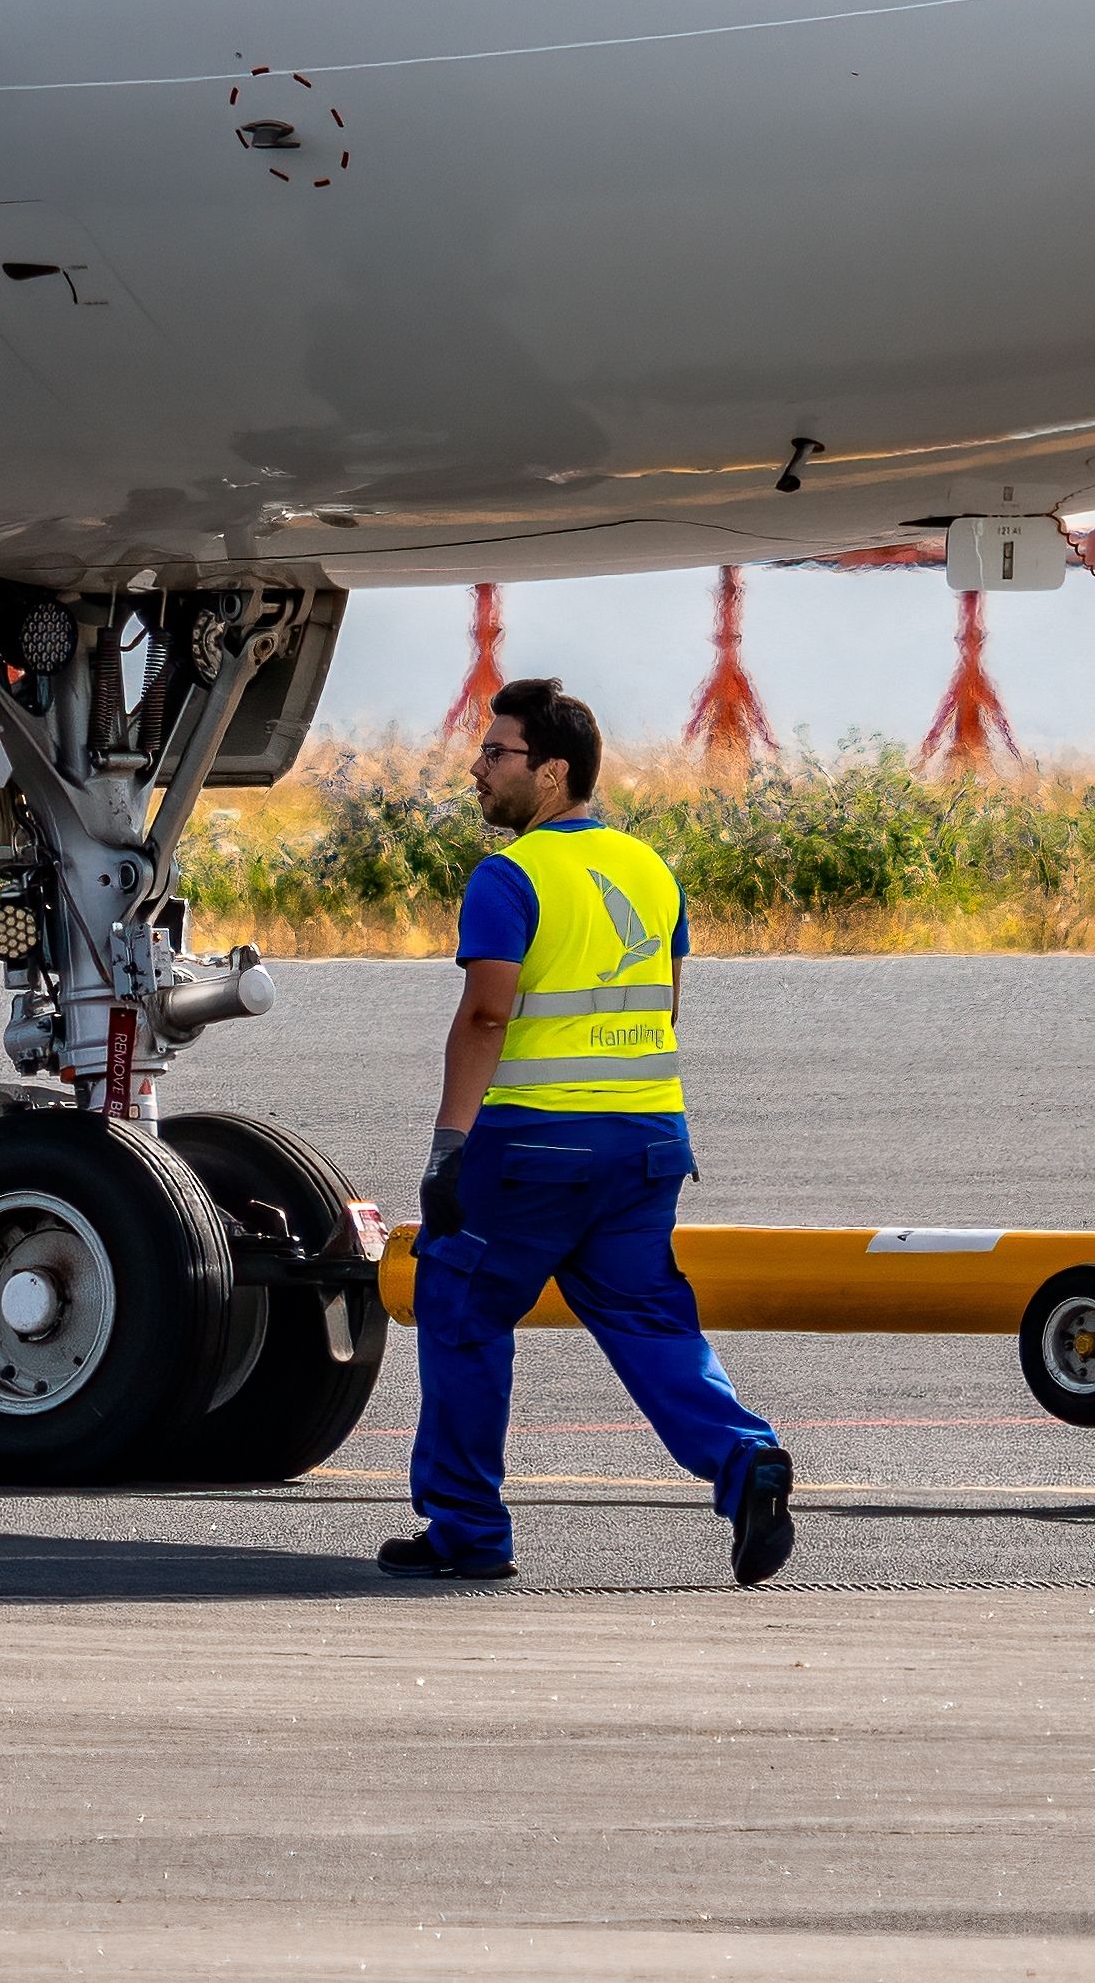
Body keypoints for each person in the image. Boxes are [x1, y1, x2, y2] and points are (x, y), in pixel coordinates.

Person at [380, 676, 797, 1585]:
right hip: (646, 1144)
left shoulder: (509, 877)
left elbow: (487, 1016)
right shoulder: (652, 870)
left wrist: (449, 1147)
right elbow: (669, 1008)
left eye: (497, 754)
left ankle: (468, 1531)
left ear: (553, 770)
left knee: (458, 1308)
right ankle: (744, 1459)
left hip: (532, 1149)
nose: (478, 769)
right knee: (649, 1322)